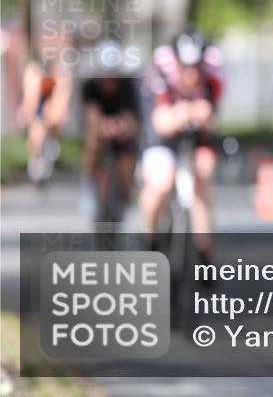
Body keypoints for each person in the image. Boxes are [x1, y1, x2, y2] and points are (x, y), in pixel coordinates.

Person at [139, 27, 224, 264]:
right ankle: (151, 241)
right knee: (161, 183)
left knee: (203, 173)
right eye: (185, 67)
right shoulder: (160, 73)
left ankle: (203, 250)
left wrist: (198, 116)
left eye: (196, 67)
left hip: (197, 137)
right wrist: (186, 113)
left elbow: (211, 119)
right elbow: (160, 123)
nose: (191, 74)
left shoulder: (214, 75)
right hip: (162, 138)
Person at [80, 40, 141, 220]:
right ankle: (90, 185)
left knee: (126, 160)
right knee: (93, 143)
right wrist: (102, 127)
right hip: (98, 129)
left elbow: (132, 117)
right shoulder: (89, 87)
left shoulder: (128, 87)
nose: (109, 82)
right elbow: (91, 115)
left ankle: (126, 195)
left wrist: (121, 126)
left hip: (122, 132)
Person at [17, 51, 72, 185]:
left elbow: (61, 97)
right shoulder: (33, 73)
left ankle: (47, 159)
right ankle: (37, 169)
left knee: (48, 137)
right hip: (38, 109)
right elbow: (30, 97)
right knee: (36, 138)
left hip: (50, 109)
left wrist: (58, 113)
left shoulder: (58, 77)